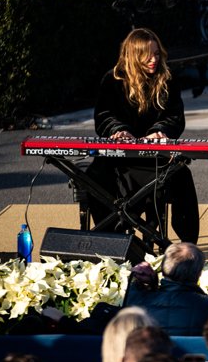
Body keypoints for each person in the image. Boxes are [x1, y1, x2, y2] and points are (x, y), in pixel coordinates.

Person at [86, 28, 200, 243]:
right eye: (147, 54)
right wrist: (118, 130)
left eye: (157, 53)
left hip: (154, 158)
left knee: (181, 174)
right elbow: (103, 116)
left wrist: (159, 132)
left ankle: (187, 245)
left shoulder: (167, 79)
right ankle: (110, 239)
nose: (153, 59)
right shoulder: (112, 79)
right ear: (133, 55)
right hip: (120, 159)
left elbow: (175, 117)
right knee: (94, 175)